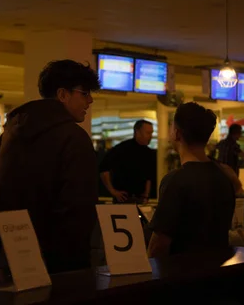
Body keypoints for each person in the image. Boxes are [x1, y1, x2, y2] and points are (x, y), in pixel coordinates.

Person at [0, 59, 101, 275]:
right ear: (62, 94)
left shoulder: (8, 136)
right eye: (84, 93)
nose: (90, 100)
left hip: (9, 259)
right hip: (60, 269)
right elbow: (78, 209)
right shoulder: (74, 138)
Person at [147, 102, 236, 258]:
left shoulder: (176, 181)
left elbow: (159, 244)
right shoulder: (224, 178)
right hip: (217, 273)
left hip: (182, 275)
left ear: (177, 133)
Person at [99, 120, 156, 204]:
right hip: (123, 198)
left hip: (140, 199)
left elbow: (148, 176)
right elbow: (103, 168)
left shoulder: (149, 153)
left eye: (151, 133)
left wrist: (146, 195)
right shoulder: (121, 149)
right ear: (137, 132)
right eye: (148, 133)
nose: (150, 136)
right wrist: (113, 191)